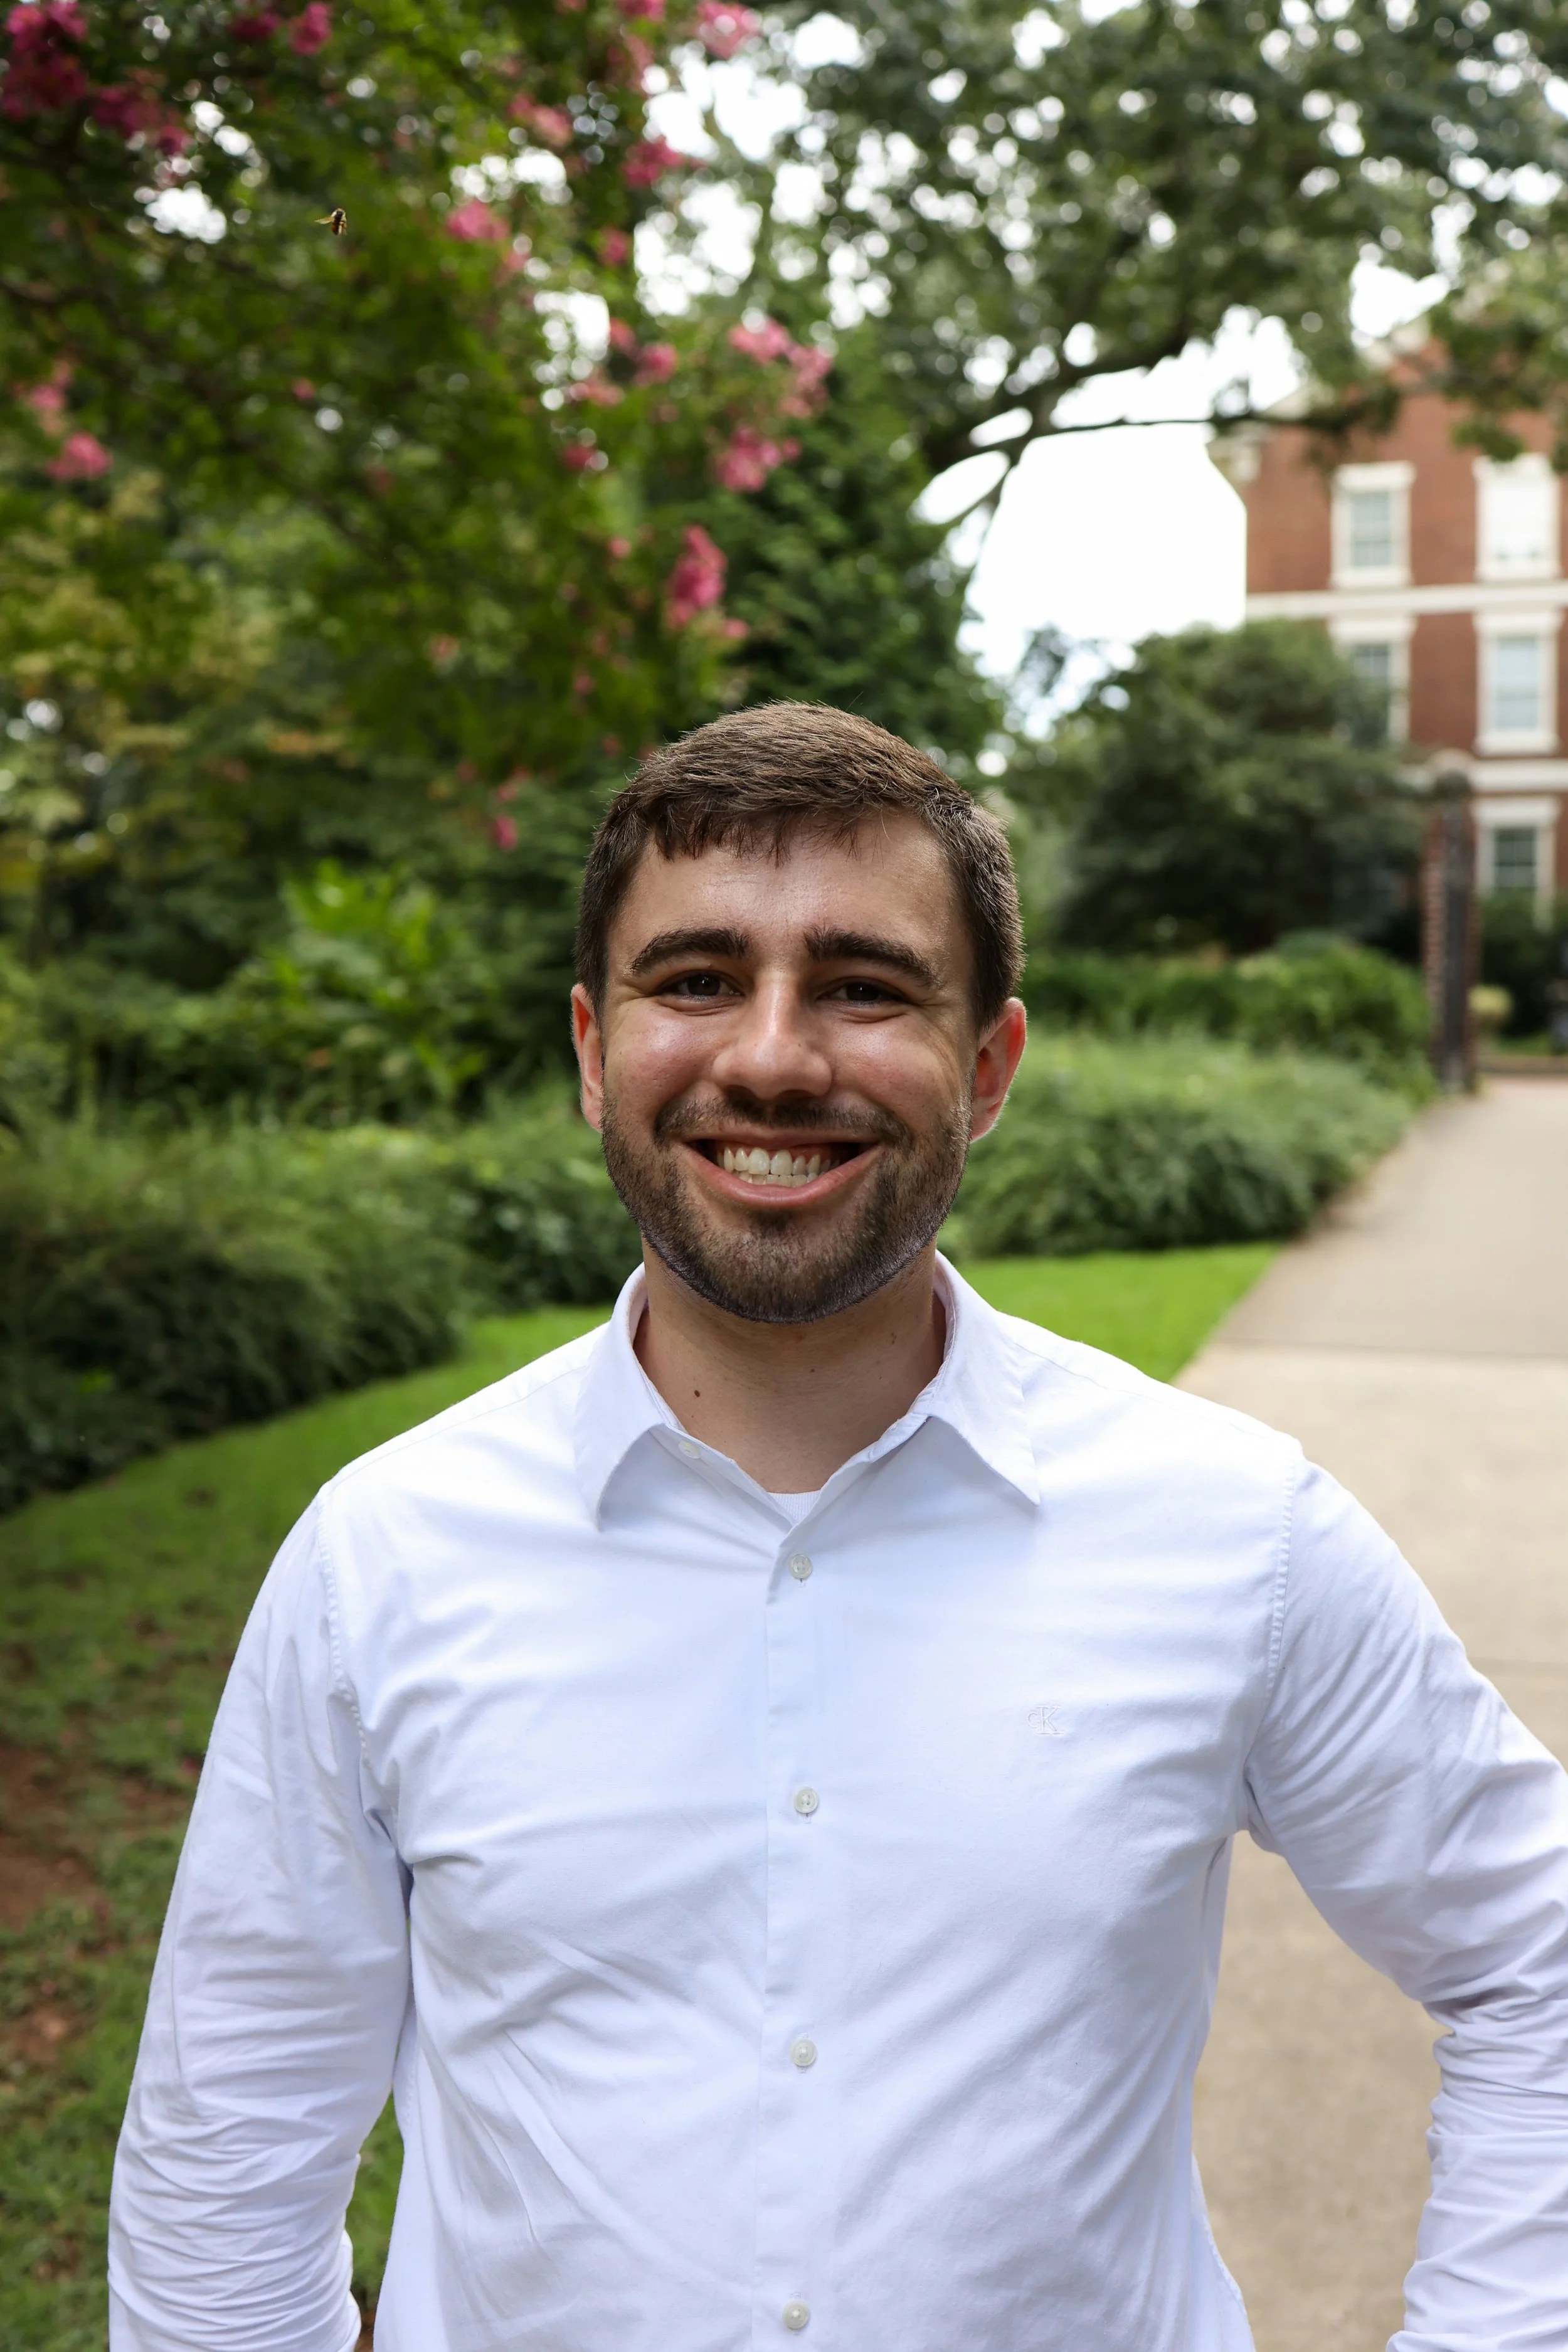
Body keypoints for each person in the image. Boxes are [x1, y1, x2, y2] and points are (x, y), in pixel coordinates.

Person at [110, 703, 1568, 2352]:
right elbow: (231, 2147)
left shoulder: (1234, 1529)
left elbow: (1538, 1954)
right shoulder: (385, 1554)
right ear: (595, 1049)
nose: (773, 1056)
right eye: (698, 977)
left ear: (989, 1063)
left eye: (864, 985)